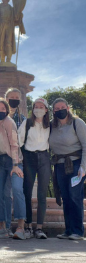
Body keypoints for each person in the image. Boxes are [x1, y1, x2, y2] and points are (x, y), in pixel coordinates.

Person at [49, 98, 86, 240]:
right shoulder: (52, 126)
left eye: (62, 107)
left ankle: (78, 230)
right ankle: (69, 229)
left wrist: (83, 167)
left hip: (76, 164)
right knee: (65, 197)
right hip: (59, 164)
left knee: (75, 196)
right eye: (56, 109)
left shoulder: (78, 123)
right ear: (53, 111)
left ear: (68, 107)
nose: (60, 110)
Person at [0, 98, 27, 239]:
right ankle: (1, 227)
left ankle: (21, 227)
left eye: (2, 108)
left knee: (17, 190)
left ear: (6, 110)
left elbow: (14, 144)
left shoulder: (9, 122)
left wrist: (16, 165)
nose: (0, 110)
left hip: (14, 160)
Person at [19, 98, 51, 239]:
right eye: (36, 106)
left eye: (41, 106)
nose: (38, 109)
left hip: (44, 158)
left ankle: (39, 227)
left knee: (42, 194)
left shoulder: (50, 125)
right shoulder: (27, 123)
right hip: (29, 158)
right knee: (27, 192)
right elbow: (18, 141)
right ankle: (28, 226)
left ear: (46, 109)